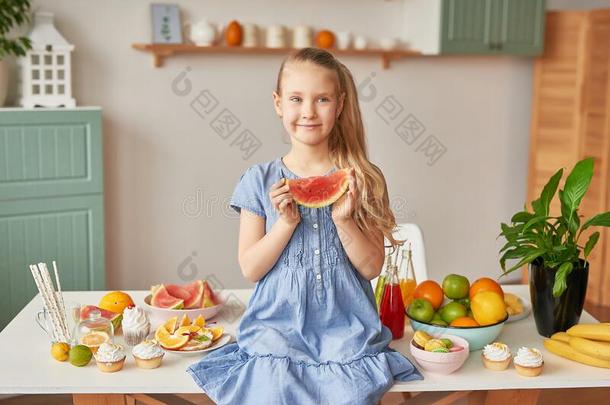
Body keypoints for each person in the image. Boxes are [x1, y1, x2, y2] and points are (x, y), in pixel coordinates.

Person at [187, 47, 422, 405]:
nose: (309, 111)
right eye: (296, 98)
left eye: (322, 99)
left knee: (349, 394)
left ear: (340, 104)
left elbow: (371, 266)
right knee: (269, 389)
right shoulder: (258, 180)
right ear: (278, 103)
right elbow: (251, 268)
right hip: (275, 330)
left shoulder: (364, 179)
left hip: (346, 330)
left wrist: (344, 219)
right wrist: (285, 223)